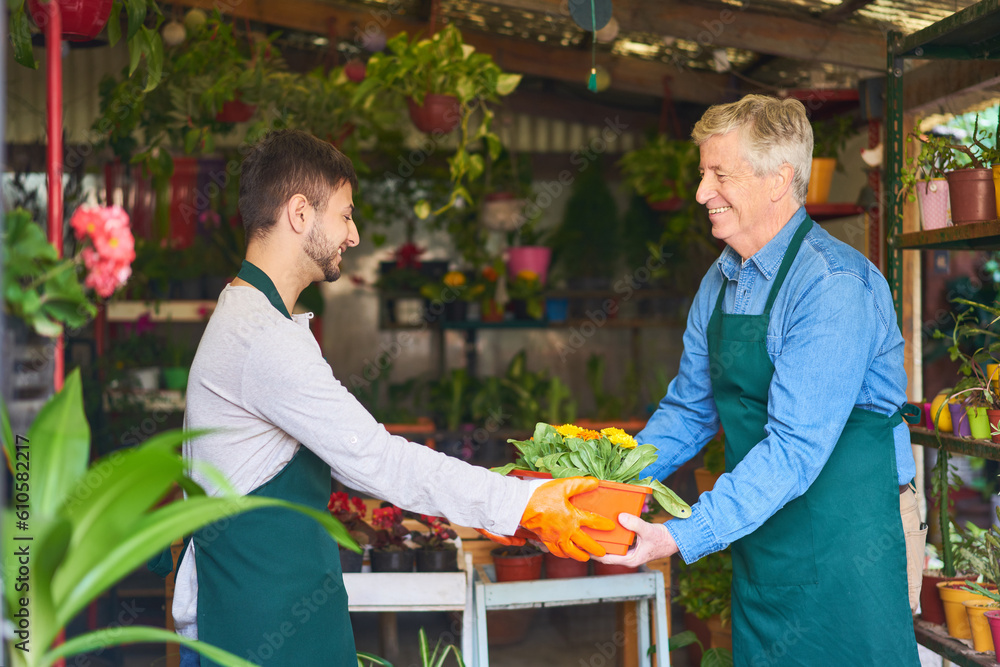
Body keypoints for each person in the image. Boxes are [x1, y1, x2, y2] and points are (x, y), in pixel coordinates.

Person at [167, 129, 614, 667]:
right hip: (260, 629)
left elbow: (356, 462)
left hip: (277, 615)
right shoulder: (260, 337)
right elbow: (378, 461)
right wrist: (524, 504)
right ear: (300, 213)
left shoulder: (255, 320)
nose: (353, 235)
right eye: (346, 215)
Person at [595, 95, 924, 665]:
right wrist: (608, 483)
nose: (702, 192)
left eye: (719, 174)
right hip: (766, 533)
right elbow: (691, 410)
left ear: (779, 180)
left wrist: (680, 534)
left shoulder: (833, 286)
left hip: (852, 545)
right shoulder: (719, 282)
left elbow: (796, 449)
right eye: (702, 174)